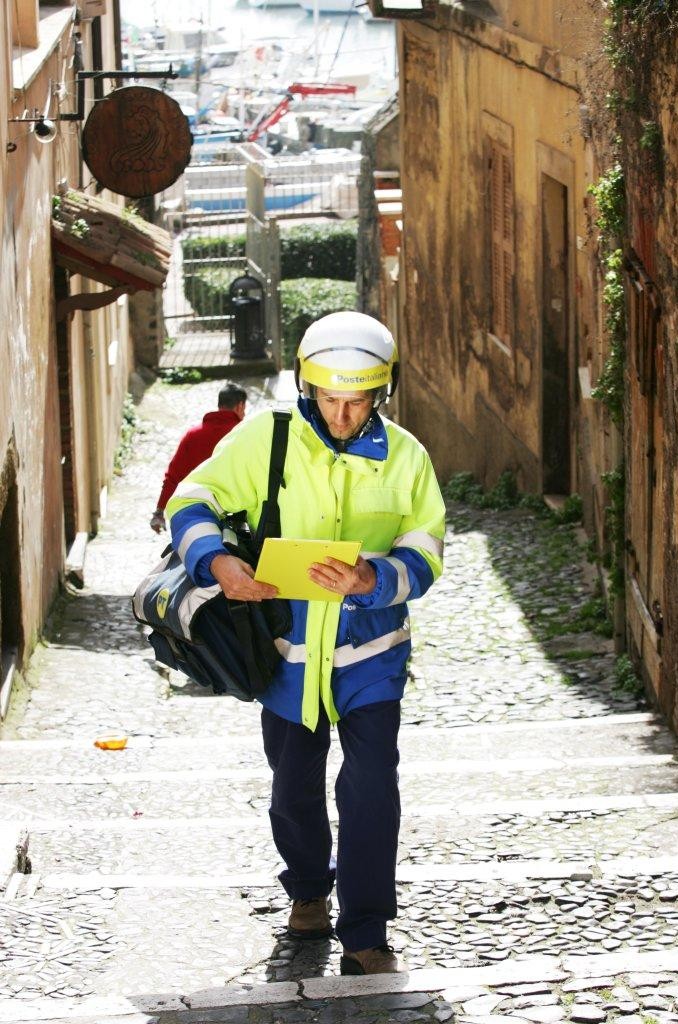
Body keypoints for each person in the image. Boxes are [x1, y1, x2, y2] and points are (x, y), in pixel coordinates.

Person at [166, 312, 445, 975]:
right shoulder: (266, 439)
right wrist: (218, 565)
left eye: (357, 400)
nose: (342, 414)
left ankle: (367, 931)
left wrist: (373, 577)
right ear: (307, 387)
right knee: (293, 790)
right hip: (285, 659)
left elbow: (426, 550)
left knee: (371, 789)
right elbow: (191, 499)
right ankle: (308, 889)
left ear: (383, 392)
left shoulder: (407, 457)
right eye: (328, 398)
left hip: (371, 658)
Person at [149, 384, 247, 532]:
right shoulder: (243, 434)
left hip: (196, 515)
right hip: (235, 515)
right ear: (240, 406)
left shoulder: (193, 435)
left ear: (219, 404)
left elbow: (173, 476)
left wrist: (160, 511)